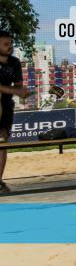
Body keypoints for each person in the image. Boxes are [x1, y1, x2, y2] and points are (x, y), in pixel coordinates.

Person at [0, 31, 28, 193]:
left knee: (3, 141)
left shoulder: (15, 62)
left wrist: (21, 91)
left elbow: (17, 85)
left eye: (11, 43)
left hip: (6, 106)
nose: (9, 46)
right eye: (5, 43)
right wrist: (14, 90)